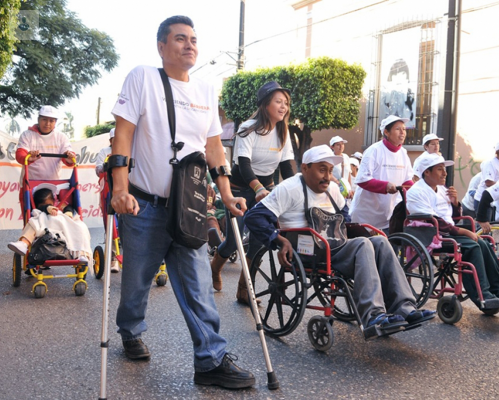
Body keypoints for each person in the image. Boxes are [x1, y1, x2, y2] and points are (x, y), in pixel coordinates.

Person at [109, 16, 254, 389]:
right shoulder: (142, 77)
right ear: (162, 46)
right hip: (143, 206)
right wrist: (120, 188)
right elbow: (122, 136)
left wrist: (225, 193)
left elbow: (213, 147)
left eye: (193, 39)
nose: (189, 45)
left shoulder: (206, 90)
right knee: (137, 283)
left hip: (188, 207)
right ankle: (130, 330)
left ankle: (210, 360)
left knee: (199, 284)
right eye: (179, 39)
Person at [244, 145, 435, 340]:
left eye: (329, 170)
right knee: (363, 244)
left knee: (380, 242)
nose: (327, 176)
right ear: (305, 169)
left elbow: (344, 215)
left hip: (333, 245)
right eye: (321, 170)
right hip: (307, 248)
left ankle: (405, 308)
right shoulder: (289, 188)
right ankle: (373, 316)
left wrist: (350, 228)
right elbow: (254, 217)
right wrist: (278, 239)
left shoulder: (333, 189)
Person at [210, 80, 295, 304]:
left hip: (265, 189)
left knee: (260, 240)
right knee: (233, 242)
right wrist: (256, 188)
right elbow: (244, 164)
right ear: (265, 104)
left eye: (285, 102)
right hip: (240, 188)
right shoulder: (248, 128)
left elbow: (287, 168)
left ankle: (244, 290)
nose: (283, 106)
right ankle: (214, 267)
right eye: (278, 101)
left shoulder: (284, 132)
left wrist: (297, 189)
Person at [408, 152, 499, 310]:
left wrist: (455, 203)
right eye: (440, 169)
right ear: (426, 172)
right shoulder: (416, 192)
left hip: (447, 233)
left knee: (484, 244)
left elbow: (452, 218)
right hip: (431, 236)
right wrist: (464, 232)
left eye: (444, 169)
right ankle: (482, 295)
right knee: (473, 246)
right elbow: (435, 221)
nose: (445, 173)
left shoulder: (442, 190)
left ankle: (496, 289)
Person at [349, 115, 414, 232]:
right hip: (365, 216)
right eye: (398, 129)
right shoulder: (374, 151)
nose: (402, 132)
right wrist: (385, 186)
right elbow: (363, 180)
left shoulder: (403, 153)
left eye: (404, 129)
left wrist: (417, 192)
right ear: (386, 132)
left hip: (387, 217)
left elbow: (407, 181)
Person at [8, 185, 91, 264]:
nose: (48, 206)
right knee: (33, 222)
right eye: (43, 205)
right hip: (46, 226)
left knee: (80, 227)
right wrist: (47, 208)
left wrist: (68, 213)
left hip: (62, 227)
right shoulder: (39, 209)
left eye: (50, 204)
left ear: (54, 201)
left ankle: (82, 254)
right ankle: (23, 243)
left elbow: (68, 207)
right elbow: (38, 210)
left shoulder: (60, 203)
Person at [16, 105, 76, 180]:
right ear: (38, 120)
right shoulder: (27, 135)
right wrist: (27, 158)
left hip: (54, 185)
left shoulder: (61, 137)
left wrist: (70, 158)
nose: (47, 123)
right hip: (30, 184)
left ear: (55, 122)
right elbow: (19, 154)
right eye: (44, 119)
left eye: (51, 121)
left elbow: (69, 155)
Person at [94, 128, 119, 273]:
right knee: (111, 226)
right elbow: (98, 170)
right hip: (108, 192)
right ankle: (113, 259)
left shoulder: (129, 149)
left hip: (126, 191)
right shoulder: (105, 151)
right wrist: (107, 165)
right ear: (110, 140)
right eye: (115, 138)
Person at [474, 142, 499, 213]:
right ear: (497, 152)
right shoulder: (490, 163)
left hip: (493, 201)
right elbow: (488, 182)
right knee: (484, 223)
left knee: (492, 224)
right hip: (482, 200)